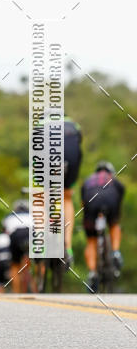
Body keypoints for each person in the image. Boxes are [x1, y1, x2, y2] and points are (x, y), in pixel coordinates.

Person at [81, 162, 125, 292]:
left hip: (91, 201)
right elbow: (119, 198)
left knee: (91, 240)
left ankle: (92, 273)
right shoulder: (114, 180)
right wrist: (114, 218)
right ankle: (116, 252)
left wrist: (89, 222)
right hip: (111, 200)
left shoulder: (88, 180)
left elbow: (83, 204)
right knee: (114, 225)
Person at [63, 117, 83, 269]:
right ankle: (67, 246)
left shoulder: (40, 124)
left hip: (47, 155)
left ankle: (40, 242)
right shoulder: (72, 123)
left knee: (41, 196)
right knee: (67, 197)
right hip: (72, 156)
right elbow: (79, 143)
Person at [1, 200, 32, 294]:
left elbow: (4, 232)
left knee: (15, 265)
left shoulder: (9, 216)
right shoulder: (32, 215)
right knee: (31, 261)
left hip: (15, 235)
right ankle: (34, 281)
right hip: (29, 234)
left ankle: (16, 292)